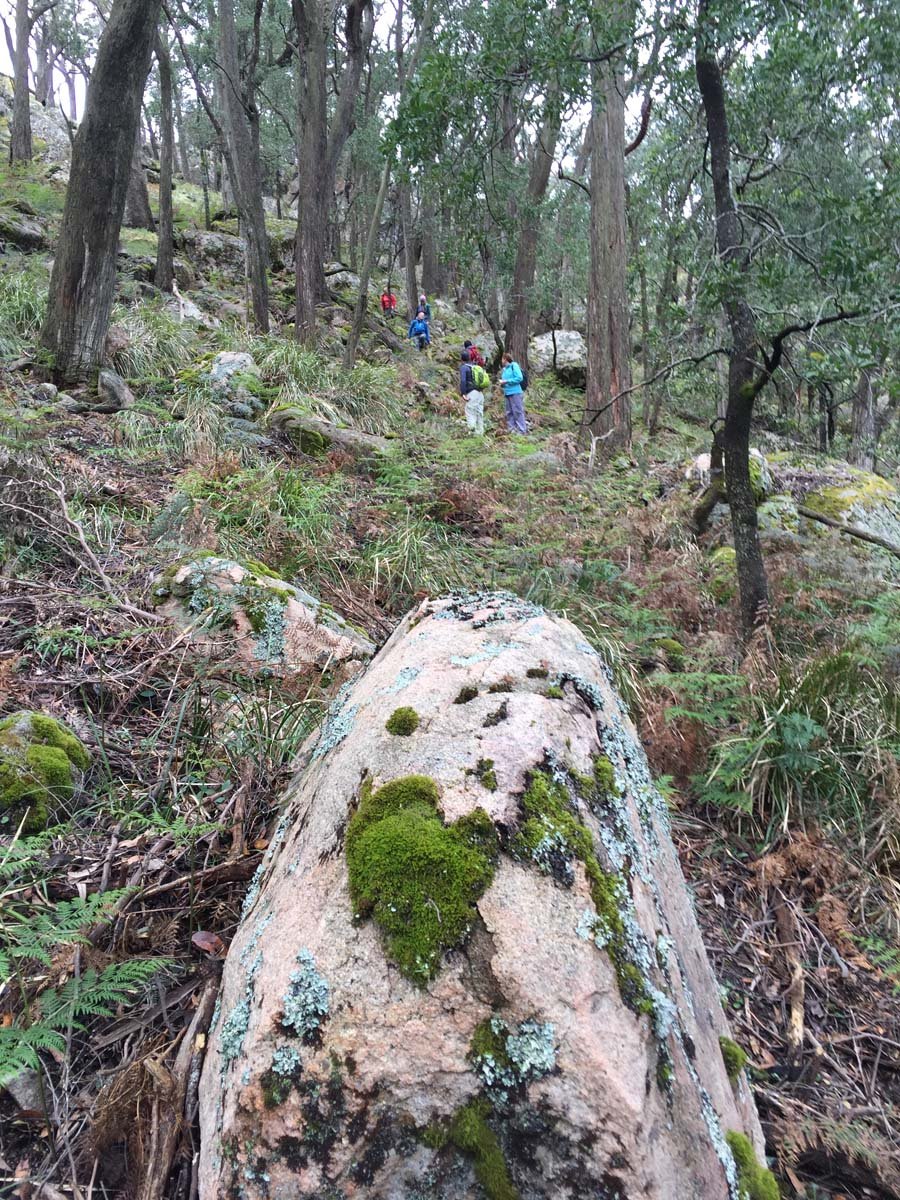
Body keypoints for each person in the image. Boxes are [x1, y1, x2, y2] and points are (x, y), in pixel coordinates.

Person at [460, 348, 485, 436]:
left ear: (462, 359)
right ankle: (480, 433)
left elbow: (463, 381)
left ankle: (472, 433)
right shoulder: (475, 366)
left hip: (471, 393)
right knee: (479, 413)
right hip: (480, 393)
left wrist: (463, 393)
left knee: (470, 412)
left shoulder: (464, 367)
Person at [500, 353, 527, 433]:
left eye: (502, 359)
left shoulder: (514, 365)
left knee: (517, 411)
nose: (501, 361)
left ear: (505, 359)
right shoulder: (505, 369)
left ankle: (522, 430)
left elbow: (519, 378)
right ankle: (512, 430)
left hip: (515, 392)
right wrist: (502, 384)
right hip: (507, 393)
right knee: (509, 412)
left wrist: (507, 381)